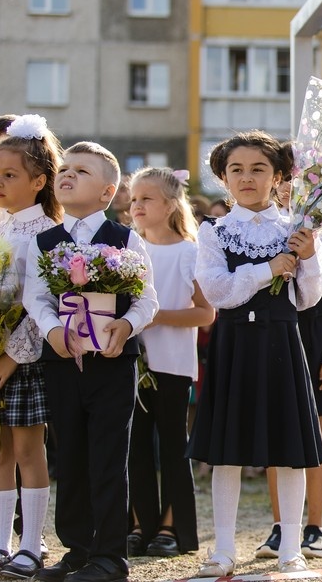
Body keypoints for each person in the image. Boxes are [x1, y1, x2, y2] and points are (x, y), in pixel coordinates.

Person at [186, 131, 322, 577]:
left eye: (258, 169)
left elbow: (307, 298)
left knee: (289, 447)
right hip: (233, 344)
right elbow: (217, 292)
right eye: (236, 170)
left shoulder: (297, 229)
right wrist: (267, 269)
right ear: (222, 178)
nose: (247, 178)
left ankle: (290, 548)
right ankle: (222, 549)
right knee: (227, 449)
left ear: (279, 176)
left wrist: (310, 256)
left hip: (283, 341)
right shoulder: (214, 232)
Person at [24, 141, 158, 582]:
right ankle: (77, 549)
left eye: (81, 170)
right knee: (71, 456)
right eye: (65, 168)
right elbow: (36, 297)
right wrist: (52, 331)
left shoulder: (126, 239)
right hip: (62, 361)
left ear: (106, 192)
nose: (67, 174)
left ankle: (110, 556)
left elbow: (147, 300)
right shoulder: (44, 242)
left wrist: (126, 326)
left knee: (107, 455)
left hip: (112, 365)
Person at [0, 115, 61, 579]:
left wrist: (8, 357)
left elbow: (41, 306)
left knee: (28, 451)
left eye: (11, 175)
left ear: (40, 181)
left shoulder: (46, 234)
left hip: (24, 361)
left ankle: (30, 544)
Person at [256, 176, 322, 561]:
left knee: (312, 430)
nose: (287, 188)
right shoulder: (265, 224)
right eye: (282, 179)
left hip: (316, 329)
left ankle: (314, 528)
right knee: (274, 426)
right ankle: (281, 528)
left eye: (298, 179)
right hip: (273, 325)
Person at [126, 168, 214, 558]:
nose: (137, 206)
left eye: (146, 199)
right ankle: (140, 523)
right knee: (136, 448)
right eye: (133, 199)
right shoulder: (128, 251)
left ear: (169, 204)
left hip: (174, 365)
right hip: (132, 365)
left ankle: (172, 526)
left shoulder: (189, 253)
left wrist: (156, 315)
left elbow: (206, 314)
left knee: (173, 448)